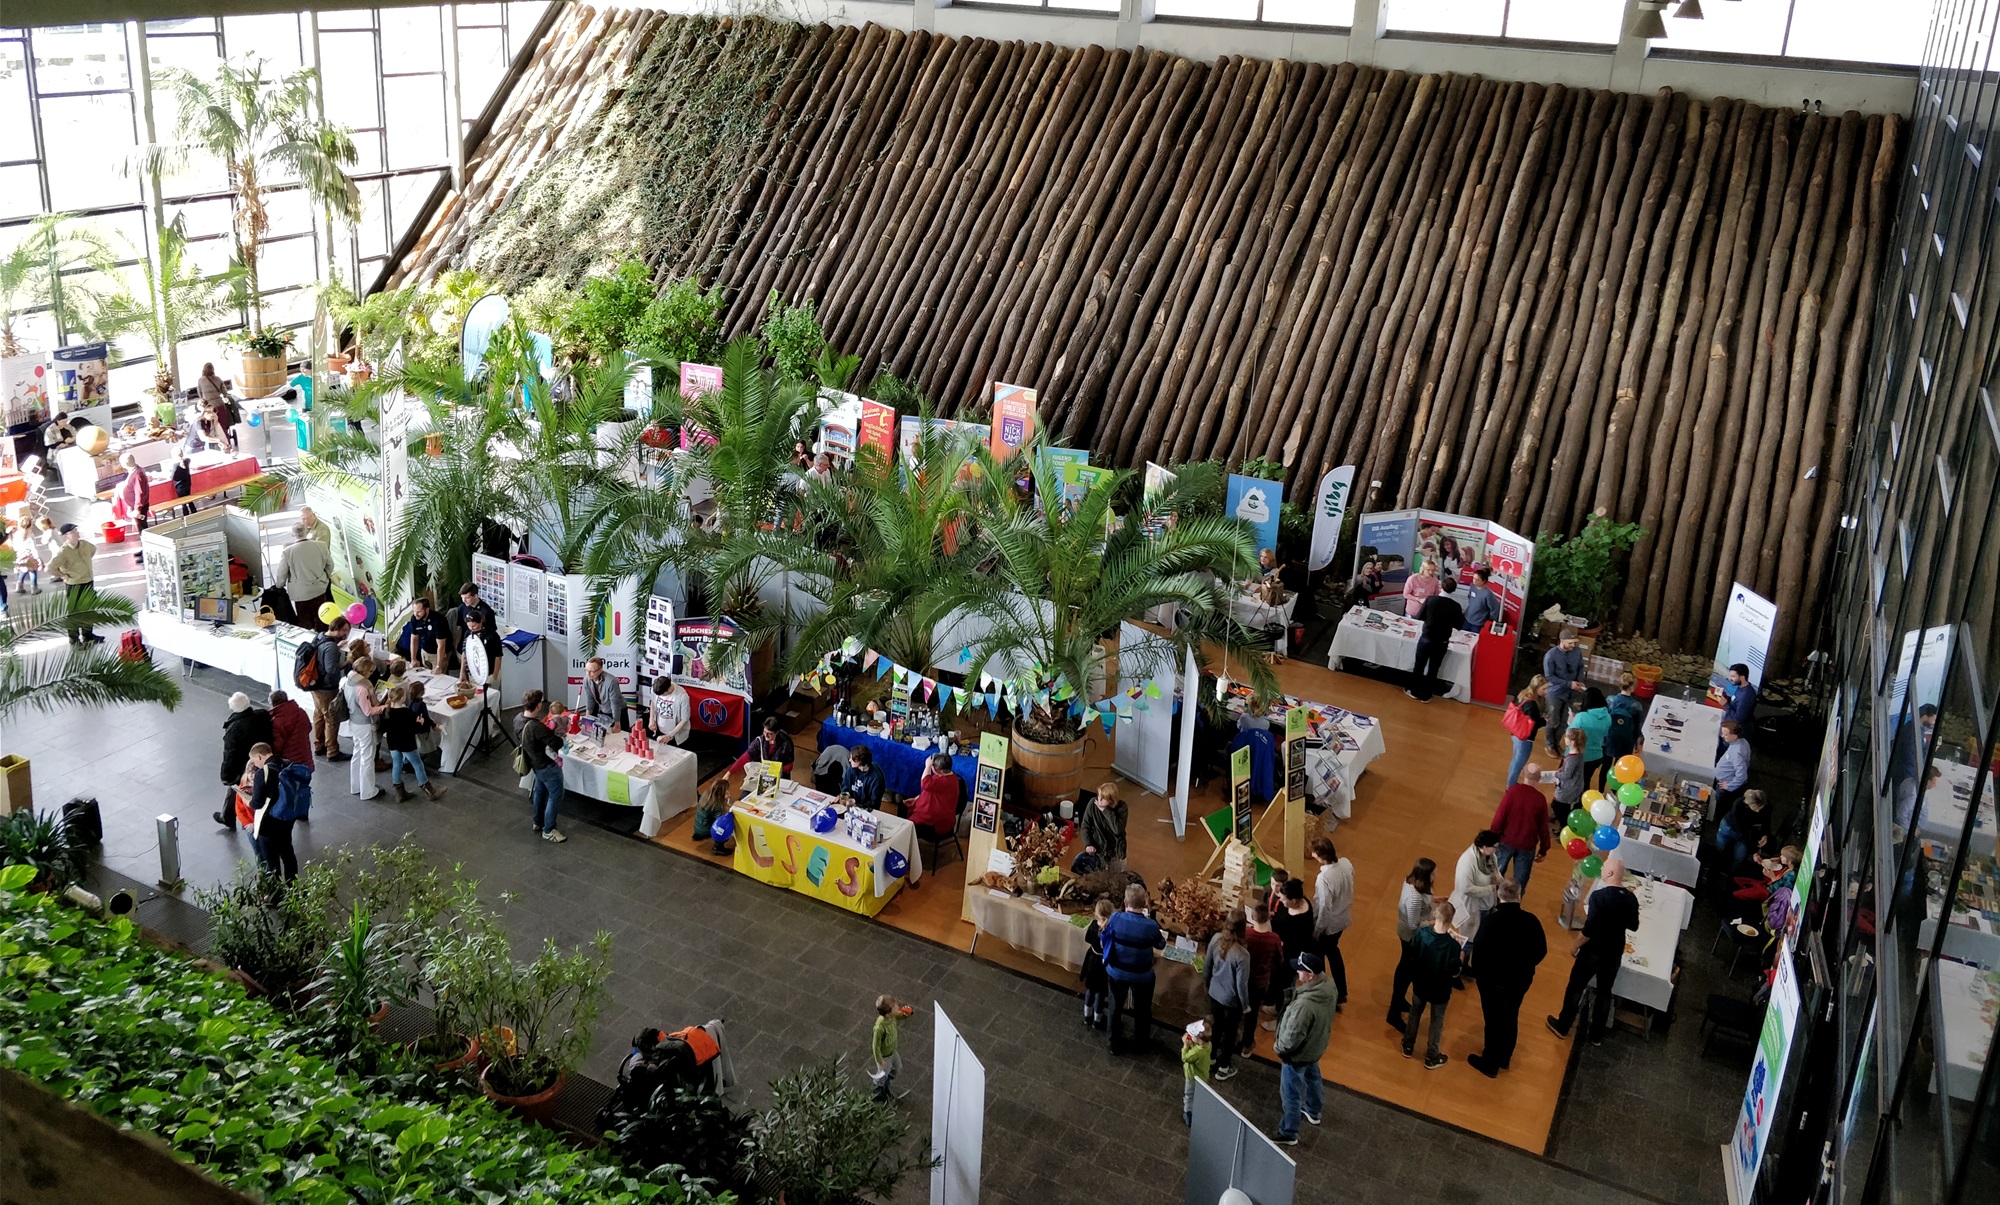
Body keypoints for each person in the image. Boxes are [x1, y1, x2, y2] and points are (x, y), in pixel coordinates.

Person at [1548, 857, 1640, 1046]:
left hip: (1593, 952)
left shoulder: (1599, 897)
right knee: (1605, 993)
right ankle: (1597, 1035)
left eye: (1605, 868)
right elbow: (1634, 925)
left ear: (1611, 873)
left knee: (1576, 987)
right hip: (1614, 952)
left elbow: (1588, 931)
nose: (1602, 871)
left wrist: (1575, 946)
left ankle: (1563, 1026)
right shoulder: (1631, 898)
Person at [1467, 880, 1546, 1077]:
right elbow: (1541, 951)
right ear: (1519, 895)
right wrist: (1526, 966)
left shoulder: (1491, 921)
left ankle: (1490, 1063)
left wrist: (1479, 975)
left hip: (1492, 982)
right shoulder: (1531, 921)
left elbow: (1479, 950)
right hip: (1519, 980)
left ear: (1499, 896)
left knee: (1493, 1020)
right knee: (1511, 1015)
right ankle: (1504, 1057)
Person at [1272, 951, 1338, 1145]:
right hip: (1316, 1044)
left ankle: (1289, 1132)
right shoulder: (1329, 985)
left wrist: (1279, 1048)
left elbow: (1292, 1036)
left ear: (1310, 976)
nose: (1297, 973)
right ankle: (1313, 1111)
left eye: (1300, 970)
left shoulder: (1304, 1005)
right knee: (1313, 1077)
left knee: (1290, 1093)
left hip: (1297, 1054)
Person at [1101, 883, 1166, 1055]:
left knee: (1115, 1005)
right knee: (1143, 1008)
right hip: (1142, 975)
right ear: (1145, 903)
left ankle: (1113, 1043)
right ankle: (1141, 1042)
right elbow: (1161, 944)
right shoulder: (1150, 925)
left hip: (1116, 972)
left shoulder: (1115, 918)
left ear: (1125, 901)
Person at [1405, 898, 1463, 1069]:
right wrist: (1460, 960)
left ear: (1436, 915)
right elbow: (1454, 971)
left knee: (1415, 1013)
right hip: (1440, 990)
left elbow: (1412, 955)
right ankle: (1432, 1055)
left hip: (1421, 984)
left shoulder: (1421, 935)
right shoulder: (1453, 946)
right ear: (1451, 920)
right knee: (1437, 1020)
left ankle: (1408, 1046)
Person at [1387, 858, 1436, 1035]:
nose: (1435, 876)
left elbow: (1425, 900)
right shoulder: (1414, 897)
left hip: (1409, 933)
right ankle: (1394, 1011)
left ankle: (1398, 1001)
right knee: (1406, 971)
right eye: (1432, 873)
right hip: (1410, 936)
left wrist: (1436, 900)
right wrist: (1434, 921)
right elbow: (1414, 924)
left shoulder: (1412, 883)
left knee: (1406, 969)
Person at [212, 692, 274, 829]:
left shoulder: (234, 729)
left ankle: (229, 817)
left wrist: (226, 775)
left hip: (243, 765)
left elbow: (229, 754)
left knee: (237, 788)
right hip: (264, 758)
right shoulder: (262, 715)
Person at [1203, 911, 1252, 1081]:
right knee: (1230, 1033)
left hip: (1215, 993)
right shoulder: (1243, 954)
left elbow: (1207, 964)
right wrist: (1246, 1005)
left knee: (1216, 1027)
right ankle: (1224, 1067)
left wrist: (1208, 983)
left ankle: (1211, 1058)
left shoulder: (1216, 939)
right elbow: (1241, 984)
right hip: (1231, 1001)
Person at [243, 744, 299, 881]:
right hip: (286, 818)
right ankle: (293, 887)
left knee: (272, 861)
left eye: (255, 761)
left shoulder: (262, 773)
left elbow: (257, 803)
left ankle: (276, 894)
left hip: (268, 823)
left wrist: (246, 800)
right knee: (288, 853)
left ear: (259, 756)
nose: (256, 764)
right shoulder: (286, 763)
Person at [518, 689, 568, 843]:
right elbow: (556, 742)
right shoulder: (536, 727)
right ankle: (549, 829)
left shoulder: (518, 720)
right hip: (546, 765)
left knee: (540, 791)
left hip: (534, 764)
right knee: (556, 795)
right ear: (539, 706)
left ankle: (538, 822)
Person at [1308, 837, 1353, 1008]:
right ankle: (1341, 991)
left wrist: (1317, 930)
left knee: (1319, 956)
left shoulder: (1324, 877)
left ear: (1319, 856)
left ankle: (1324, 993)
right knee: (1333, 953)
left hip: (1330, 924)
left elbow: (1324, 907)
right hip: (1343, 918)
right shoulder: (1346, 864)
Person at [1491, 762, 1551, 889]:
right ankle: (1513, 903)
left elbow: (1499, 817)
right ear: (1539, 778)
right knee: (1520, 882)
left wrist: (1492, 836)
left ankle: (1491, 901)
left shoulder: (1513, 791)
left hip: (1506, 841)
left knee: (1496, 875)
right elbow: (1543, 828)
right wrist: (1544, 849)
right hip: (1527, 845)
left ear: (1523, 774)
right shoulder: (1540, 800)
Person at [380, 686, 445, 802]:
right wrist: (420, 723)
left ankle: (399, 793)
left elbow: (384, 727)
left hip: (393, 743)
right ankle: (430, 791)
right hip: (407, 744)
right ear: (402, 698)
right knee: (418, 764)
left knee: (397, 764)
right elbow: (413, 730)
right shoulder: (406, 712)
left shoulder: (386, 711)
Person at [1405, 576, 1464, 702]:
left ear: (1441, 587)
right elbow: (1459, 625)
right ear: (1454, 590)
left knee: (1419, 665)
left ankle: (1414, 691)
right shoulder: (1456, 606)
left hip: (1427, 637)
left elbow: (1420, 616)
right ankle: (1426, 695)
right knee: (1433, 668)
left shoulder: (1431, 600)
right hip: (1442, 641)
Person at [1449, 830, 1502, 959]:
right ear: (1484, 847)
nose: (1497, 849)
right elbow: (1466, 888)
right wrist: (1491, 889)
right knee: (1469, 941)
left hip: (1487, 905)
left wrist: (1501, 881)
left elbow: (1495, 872)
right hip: (1473, 908)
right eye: (1494, 847)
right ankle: (1461, 965)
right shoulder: (1467, 861)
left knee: (1481, 937)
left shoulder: (1490, 856)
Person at [304, 617, 352, 760]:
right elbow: (331, 669)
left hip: (315, 684)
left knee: (319, 714)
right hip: (327, 688)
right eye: (345, 631)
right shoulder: (330, 647)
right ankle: (332, 751)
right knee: (331, 718)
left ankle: (318, 745)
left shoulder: (319, 637)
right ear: (338, 629)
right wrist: (346, 662)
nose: (345, 634)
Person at [48, 524, 102, 644]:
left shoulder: (84, 544)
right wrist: (63, 575)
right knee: (75, 612)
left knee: (89, 609)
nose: (76, 532)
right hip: (74, 584)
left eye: (76, 530)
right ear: (66, 536)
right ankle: (74, 638)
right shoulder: (63, 551)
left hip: (88, 581)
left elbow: (93, 550)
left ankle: (88, 634)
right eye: (73, 531)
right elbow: (50, 568)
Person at [278, 522, 336, 633]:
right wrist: (325, 577)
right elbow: (330, 565)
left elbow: (282, 573)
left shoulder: (287, 552)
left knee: (304, 622)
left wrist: (279, 586)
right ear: (306, 532)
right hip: (319, 589)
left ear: (293, 535)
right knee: (321, 618)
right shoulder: (321, 546)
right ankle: (323, 641)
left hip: (300, 593)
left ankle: (309, 645)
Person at [1243, 903, 1286, 1050]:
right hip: (1260, 982)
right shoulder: (1274, 939)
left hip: (1243, 979)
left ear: (1252, 918)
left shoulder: (1246, 934)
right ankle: (1247, 1043)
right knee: (1253, 1012)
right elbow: (1280, 960)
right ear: (1268, 918)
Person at [344, 656, 387, 800]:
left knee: (356, 754)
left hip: (353, 722)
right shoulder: (362, 688)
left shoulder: (347, 681)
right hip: (364, 725)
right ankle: (368, 791)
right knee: (367, 758)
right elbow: (368, 711)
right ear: (365, 671)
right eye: (370, 671)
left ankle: (355, 786)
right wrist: (383, 707)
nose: (370, 674)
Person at [1542, 628, 1586, 757]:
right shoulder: (1550, 655)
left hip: (1571, 692)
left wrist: (1579, 681)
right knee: (1553, 720)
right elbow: (1549, 677)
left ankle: (1556, 743)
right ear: (1562, 641)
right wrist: (1569, 684)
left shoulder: (1577, 652)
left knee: (1564, 722)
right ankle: (1549, 744)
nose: (1573, 645)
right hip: (1555, 692)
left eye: (1575, 642)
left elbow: (1580, 667)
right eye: (1570, 643)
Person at [1713, 788, 1772, 873]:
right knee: (1720, 850)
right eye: (1756, 808)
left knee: (1740, 856)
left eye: (1761, 807)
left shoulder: (1767, 806)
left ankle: (1731, 875)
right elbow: (1743, 830)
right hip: (1730, 828)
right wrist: (1754, 851)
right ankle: (1716, 870)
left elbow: (1766, 821)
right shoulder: (1738, 804)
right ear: (1749, 804)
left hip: (1746, 832)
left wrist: (1765, 834)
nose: (1759, 810)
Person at [908, 752, 962, 845]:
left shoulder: (946, 782)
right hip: (934, 811)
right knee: (903, 807)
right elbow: (930, 789)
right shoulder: (946, 775)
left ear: (940, 770)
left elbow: (925, 783)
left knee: (907, 826)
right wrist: (917, 799)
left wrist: (927, 766)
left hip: (937, 823)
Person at [1503, 676, 1547, 790]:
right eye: (1544, 689)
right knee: (1518, 764)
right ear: (1536, 688)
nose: (1546, 692)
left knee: (1515, 761)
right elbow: (1535, 723)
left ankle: (1510, 784)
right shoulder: (1532, 705)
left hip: (1516, 734)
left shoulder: (1523, 695)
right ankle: (1510, 787)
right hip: (1525, 738)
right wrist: (1545, 721)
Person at [1080, 782, 1129, 874]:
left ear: (1111, 800)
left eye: (1103, 798)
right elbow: (1085, 826)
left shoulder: (1122, 808)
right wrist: (1088, 844)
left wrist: (1105, 811)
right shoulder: (1092, 804)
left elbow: (1117, 829)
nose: (1099, 799)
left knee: (1116, 878)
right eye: (1098, 795)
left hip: (1116, 852)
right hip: (1099, 850)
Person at [870, 994, 911, 1102]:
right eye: (895, 1006)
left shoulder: (892, 1016)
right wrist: (879, 1060)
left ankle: (886, 1087)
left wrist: (907, 1013)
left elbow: (900, 1015)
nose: (898, 1007)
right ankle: (878, 1094)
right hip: (885, 1057)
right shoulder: (880, 1027)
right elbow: (875, 1045)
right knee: (882, 1076)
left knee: (897, 1069)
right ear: (888, 1013)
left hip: (893, 1051)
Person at [1081, 897, 1114, 1030]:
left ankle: (1087, 1016)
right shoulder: (1111, 930)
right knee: (1100, 994)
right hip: (1103, 965)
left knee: (1090, 990)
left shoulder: (1094, 926)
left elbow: (1087, 938)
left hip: (1092, 960)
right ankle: (1097, 1020)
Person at [1569, 687, 1612, 790]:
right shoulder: (1608, 717)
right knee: (1586, 780)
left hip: (1578, 755)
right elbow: (1605, 733)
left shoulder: (1581, 717)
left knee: (1570, 780)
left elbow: (1570, 734)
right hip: (1596, 756)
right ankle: (1581, 802)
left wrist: (1571, 720)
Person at [728, 715, 796, 776]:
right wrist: (729, 773)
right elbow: (746, 756)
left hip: (780, 774)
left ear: (777, 732)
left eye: (770, 733)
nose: (766, 735)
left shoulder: (786, 743)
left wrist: (774, 769)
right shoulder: (760, 741)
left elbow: (789, 765)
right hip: (764, 773)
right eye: (764, 732)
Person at [395, 596, 452, 668]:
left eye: (418, 611)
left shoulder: (438, 620)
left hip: (438, 652)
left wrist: (438, 666)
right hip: (425, 651)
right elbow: (414, 638)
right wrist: (413, 659)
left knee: (439, 675)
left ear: (427, 610)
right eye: (414, 611)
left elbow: (441, 645)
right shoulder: (414, 618)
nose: (416, 614)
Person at [448, 582, 498, 663]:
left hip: (479, 651)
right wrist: (457, 644)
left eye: (467, 598)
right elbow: (460, 627)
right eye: (462, 598)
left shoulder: (486, 611)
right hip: (464, 648)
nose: (464, 601)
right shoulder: (462, 607)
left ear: (475, 596)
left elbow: (492, 633)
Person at [1714, 719, 1752, 819]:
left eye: (1725, 735)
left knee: (1720, 804)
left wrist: (1729, 786)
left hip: (1724, 785)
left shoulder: (1736, 753)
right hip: (1726, 780)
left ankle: (1717, 819)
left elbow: (1742, 776)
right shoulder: (1743, 742)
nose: (1722, 736)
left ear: (1734, 736)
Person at [579, 657, 629, 732]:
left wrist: (617, 724)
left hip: (618, 712)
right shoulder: (586, 680)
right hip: (603, 710)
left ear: (600, 670)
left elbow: (615, 704)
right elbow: (590, 699)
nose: (588, 674)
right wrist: (587, 719)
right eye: (586, 670)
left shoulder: (611, 681)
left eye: (591, 671)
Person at [1606, 671, 1644, 765]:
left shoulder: (1610, 700)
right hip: (1625, 741)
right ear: (1633, 688)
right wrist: (1638, 743)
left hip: (1609, 737)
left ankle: (1602, 780)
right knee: (1620, 765)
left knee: (1605, 764)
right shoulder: (1636, 705)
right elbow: (1637, 727)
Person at [1719, 662, 1758, 750]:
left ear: (1742, 677)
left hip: (1735, 733)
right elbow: (1736, 702)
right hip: (1730, 727)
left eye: (1733, 676)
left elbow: (1739, 718)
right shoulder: (1741, 688)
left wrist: (1725, 704)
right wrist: (1727, 699)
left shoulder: (1746, 695)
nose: (1730, 678)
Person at [1554, 727, 1588, 827]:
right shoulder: (1579, 754)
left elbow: (1567, 775)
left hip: (1569, 788)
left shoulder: (1572, 759)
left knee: (1559, 807)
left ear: (1572, 742)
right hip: (1575, 785)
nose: (1564, 739)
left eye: (1567, 738)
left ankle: (1565, 826)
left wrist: (1555, 774)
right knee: (1562, 807)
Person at [1181, 1020, 1212, 1127]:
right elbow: (1198, 1047)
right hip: (1203, 1075)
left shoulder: (1196, 1052)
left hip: (1192, 1076)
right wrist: (1193, 1043)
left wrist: (1185, 1046)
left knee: (1189, 1095)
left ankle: (1188, 1113)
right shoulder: (1208, 1045)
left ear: (1198, 1039)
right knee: (1199, 1093)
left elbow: (1185, 1058)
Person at [116, 454, 150, 551]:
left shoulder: (138, 474)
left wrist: (137, 509)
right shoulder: (135, 471)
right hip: (135, 506)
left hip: (139, 508)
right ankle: (144, 549)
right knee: (141, 530)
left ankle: (147, 550)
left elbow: (140, 493)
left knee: (143, 530)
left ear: (125, 463)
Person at [458, 609, 502, 682]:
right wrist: (462, 672)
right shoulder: (468, 633)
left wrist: (494, 675)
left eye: (474, 626)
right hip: (472, 672)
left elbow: (498, 657)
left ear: (481, 621)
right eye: (468, 626)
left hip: (489, 673)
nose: (471, 628)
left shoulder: (492, 635)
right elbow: (464, 653)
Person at [646, 676, 691, 745]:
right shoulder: (656, 689)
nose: (661, 696)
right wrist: (651, 719)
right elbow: (653, 702)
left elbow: (684, 720)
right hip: (660, 730)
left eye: (663, 695)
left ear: (668, 689)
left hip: (675, 735)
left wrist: (670, 735)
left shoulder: (682, 697)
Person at [840, 745, 885, 809]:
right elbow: (844, 789)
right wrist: (844, 800)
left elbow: (874, 803)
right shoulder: (851, 769)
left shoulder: (876, 778)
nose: (849, 760)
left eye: (852, 759)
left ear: (861, 762)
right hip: (851, 806)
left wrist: (857, 806)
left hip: (868, 811)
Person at [1460, 566, 1501, 632]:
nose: (1474, 581)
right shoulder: (1472, 586)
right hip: (1467, 618)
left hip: (1478, 623)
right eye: (1473, 579)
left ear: (1484, 581)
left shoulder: (1487, 594)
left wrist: (1490, 620)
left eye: (1477, 580)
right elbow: (1470, 597)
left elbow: (1494, 607)